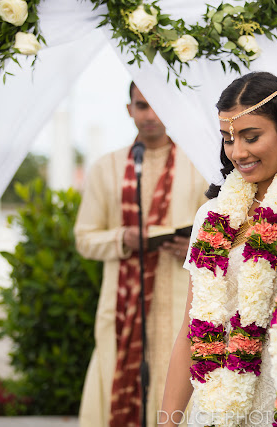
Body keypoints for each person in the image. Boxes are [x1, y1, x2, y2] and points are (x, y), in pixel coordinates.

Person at [159, 71, 277, 427]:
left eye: (251, 137)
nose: (238, 152)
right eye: (228, 139)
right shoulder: (212, 215)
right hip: (215, 403)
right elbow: (191, 329)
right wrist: (167, 421)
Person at [74, 82, 208, 427]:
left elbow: (219, 231)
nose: (150, 116)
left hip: (180, 302)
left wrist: (192, 247)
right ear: (129, 110)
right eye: (141, 106)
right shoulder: (107, 167)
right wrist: (122, 238)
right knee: (118, 377)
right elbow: (84, 239)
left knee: (177, 379)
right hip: (122, 307)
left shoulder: (198, 164)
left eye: (156, 106)